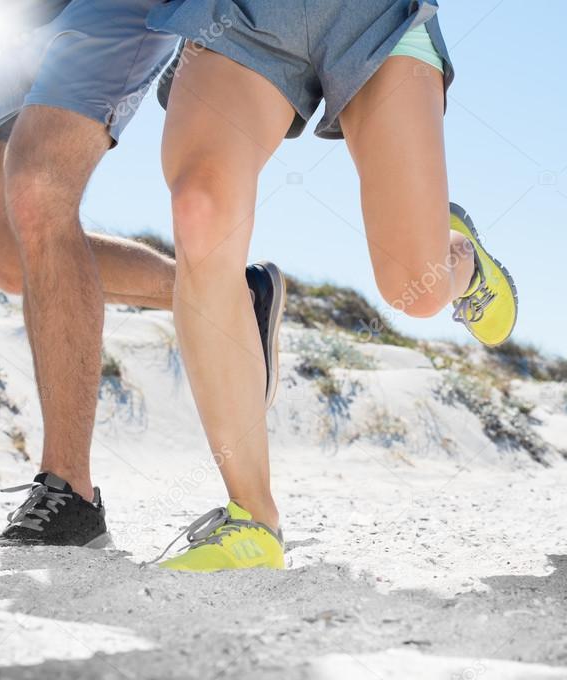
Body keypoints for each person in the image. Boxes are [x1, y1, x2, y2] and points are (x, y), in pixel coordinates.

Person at [145, 0, 518, 572]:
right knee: (199, 209)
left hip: (374, 15)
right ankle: (253, 521)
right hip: (240, 13)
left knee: (416, 291)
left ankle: (460, 260)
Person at [0, 0, 287, 548]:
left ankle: (70, 492)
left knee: (40, 187)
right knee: (13, 260)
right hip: (13, 28)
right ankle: (231, 299)